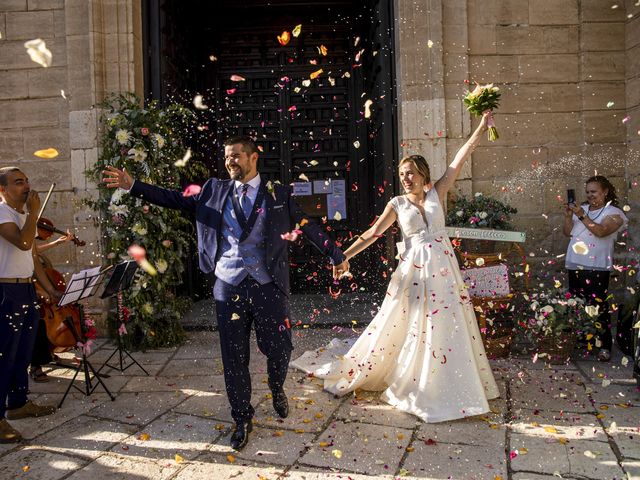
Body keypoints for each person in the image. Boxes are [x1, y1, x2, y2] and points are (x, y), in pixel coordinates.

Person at [102, 136, 348, 450]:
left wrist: (335, 254)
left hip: (267, 285)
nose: (230, 161)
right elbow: (175, 199)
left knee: (280, 348)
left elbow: (307, 225)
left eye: (237, 156)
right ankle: (242, 417)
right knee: (234, 357)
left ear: (254, 158)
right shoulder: (213, 191)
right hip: (228, 284)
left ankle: (276, 386)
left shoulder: (278, 193)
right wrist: (133, 184)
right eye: (227, 157)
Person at [292, 112, 499, 423]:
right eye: (403, 173)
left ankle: (452, 378)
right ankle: (419, 379)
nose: (406, 178)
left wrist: (482, 127)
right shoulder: (397, 204)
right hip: (416, 271)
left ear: (423, 174)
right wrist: (341, 255)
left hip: (444, 267)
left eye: (411, 172)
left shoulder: (436, 192)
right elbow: (371, 234)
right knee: (416, 323)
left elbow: (461, 155)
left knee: (448, 322)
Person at [0, 167, 59, 443]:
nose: (26, 186)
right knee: (5, 355)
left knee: (24, 351)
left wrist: (49, 289)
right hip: (6, 291)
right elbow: (24, 242)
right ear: (3, 190)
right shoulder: (3, 213)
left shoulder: (23, 215)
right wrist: (34, 213)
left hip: (25, 287)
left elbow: (33, 257)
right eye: (18, 182)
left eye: (26, 180)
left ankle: (18, 403)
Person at [563, 175, 628, 362]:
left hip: (597, 266)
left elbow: (601, 231)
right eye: (588, 192)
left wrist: (581, 216)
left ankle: (604, 345)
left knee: (598, 307)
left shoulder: (614, 213)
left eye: (594, 192)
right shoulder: (581, 209)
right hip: (575, 263)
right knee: (578, 305)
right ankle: (583, 341)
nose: (590, 195)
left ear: (605, 191)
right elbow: (567, 232)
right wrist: (569, 216)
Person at [29, 231, 75, 382]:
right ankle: (35, 365)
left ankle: (45, 353)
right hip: (18, 279)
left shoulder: (24, 222)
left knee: (41, 316)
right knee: (35, 320)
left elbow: (32, 250)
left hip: (33, 273)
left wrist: (56, 243)